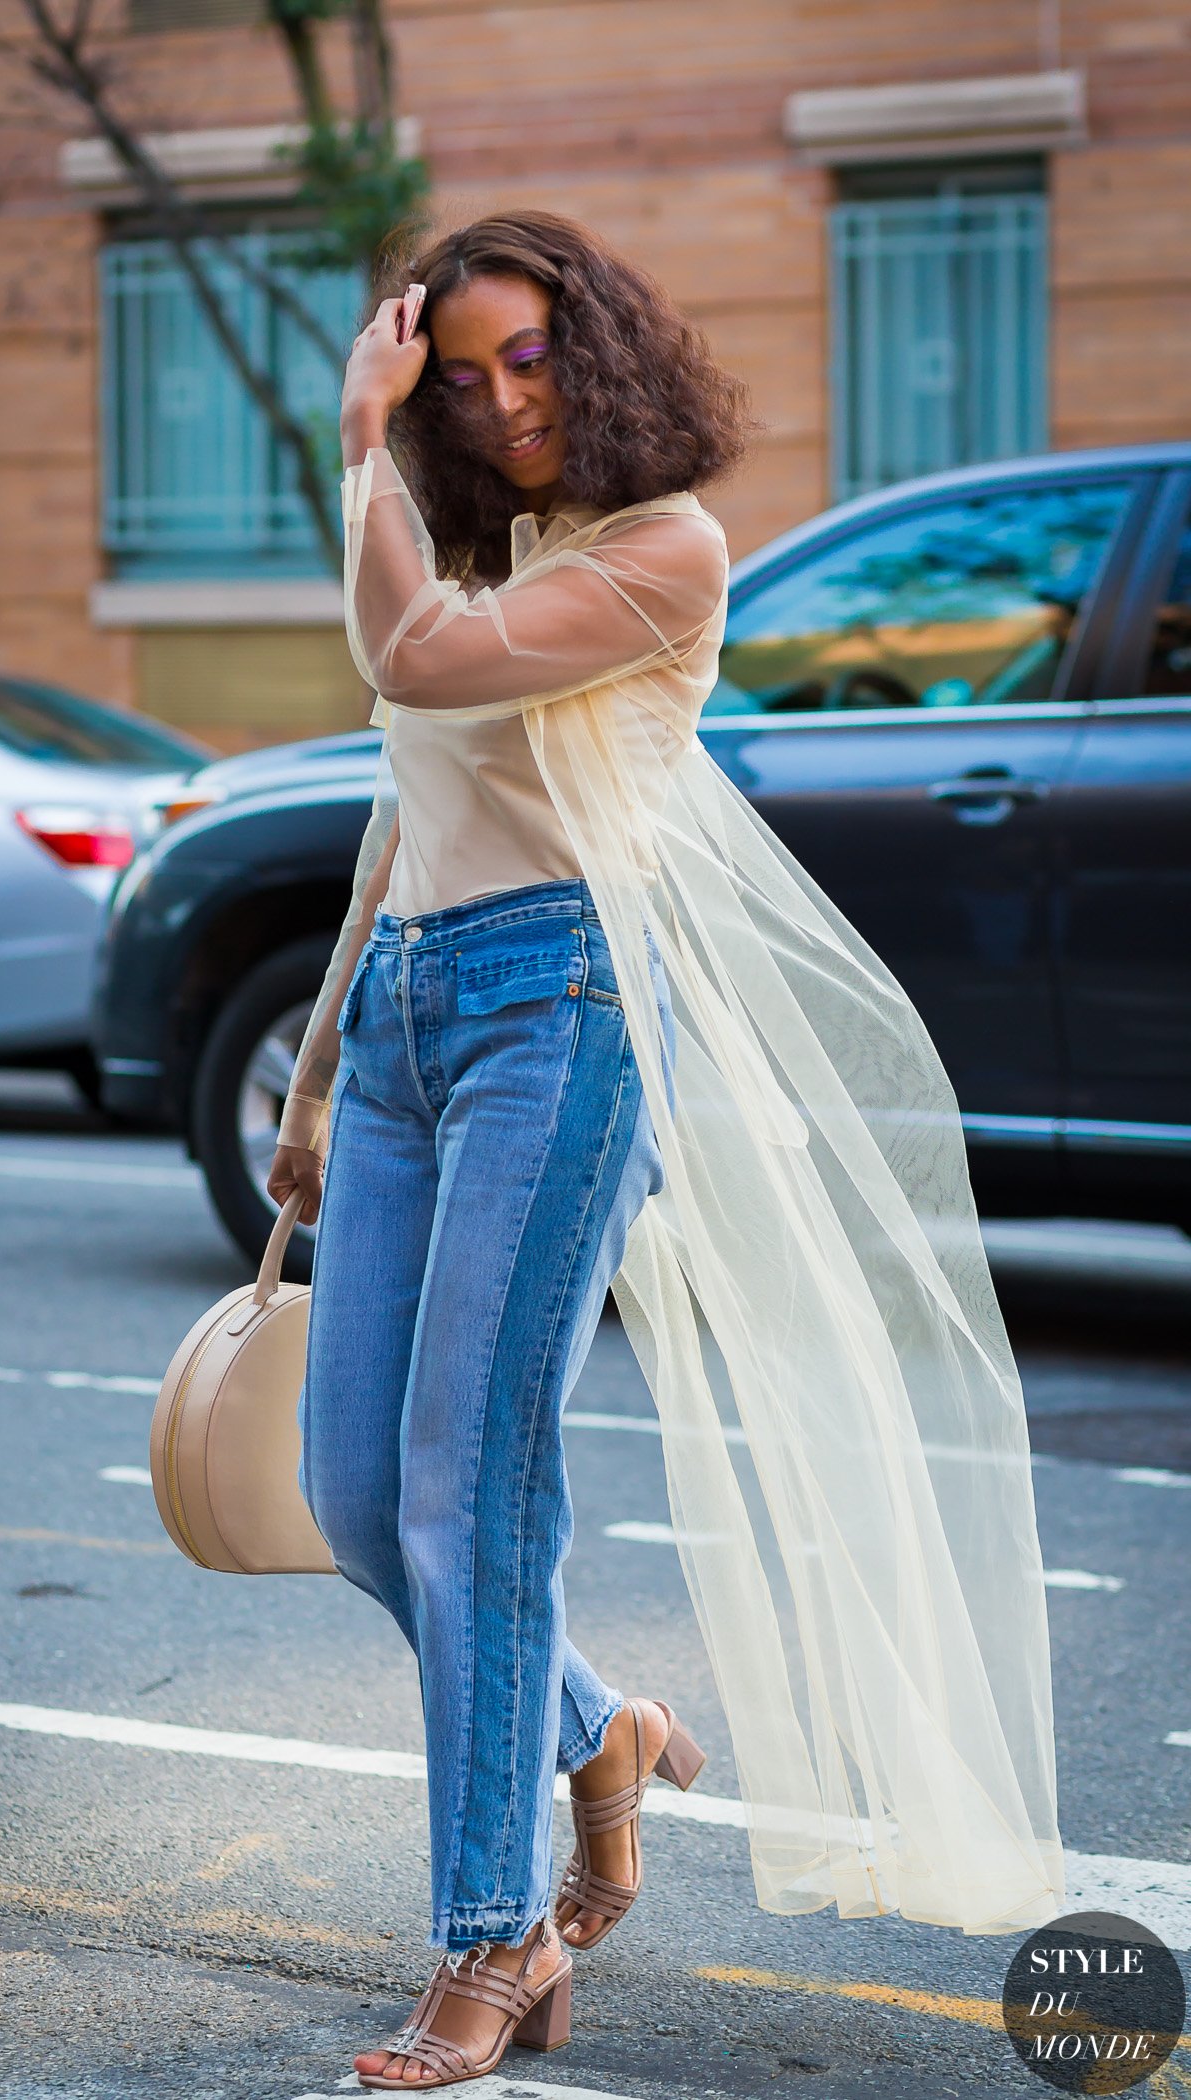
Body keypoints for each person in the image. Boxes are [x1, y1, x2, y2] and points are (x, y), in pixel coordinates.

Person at [270, 212, 1063, 2093]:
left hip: (563, 1017)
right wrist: (311, 1079)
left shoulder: (663, 552)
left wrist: (362, 432)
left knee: (473, 1486)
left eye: (527, 355)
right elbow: (402, 814)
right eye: (457, 373)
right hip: (401, 1025)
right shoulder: (462, 537)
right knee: (356, 1493)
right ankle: (601, 1731)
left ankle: (491, 1943)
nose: (497, 398)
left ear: (597, 347)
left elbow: (418, 660)